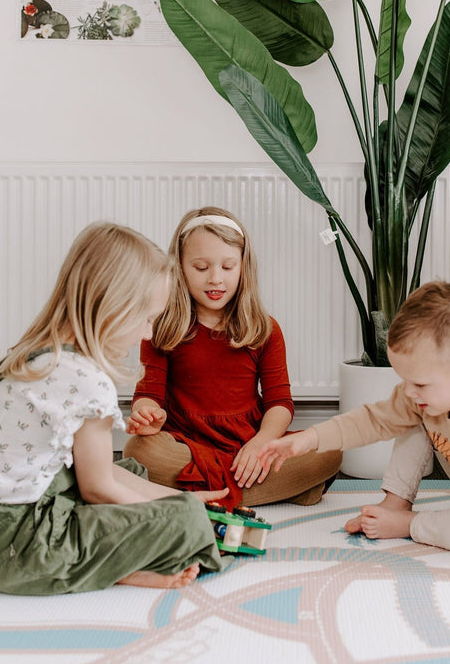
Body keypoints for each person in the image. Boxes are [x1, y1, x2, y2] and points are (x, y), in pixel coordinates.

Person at [0, 221, 231, 596]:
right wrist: (177, 512)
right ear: (114, 308)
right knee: (186, 523)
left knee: (131, 471)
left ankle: (112, 563)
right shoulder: (88, 382)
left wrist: (172, 497)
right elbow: (99, 490)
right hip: (22, 554)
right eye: (148, 319)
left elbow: (98, 476)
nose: (148, 335)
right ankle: (109, 565)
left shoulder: (32, 355)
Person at [257, 281, 450, 593]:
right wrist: (308, 439)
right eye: (405, 380)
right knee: (412, 415)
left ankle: (407, 523)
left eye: (420, 383)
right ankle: (395, 502)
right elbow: (373, 420)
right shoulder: (431, 393)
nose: (409, 391)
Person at [123, 206, 342, 509]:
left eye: (227, 267)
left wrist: (262, 441)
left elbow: (280, 403)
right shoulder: (162, 327)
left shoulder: (266, 329)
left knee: (331, 445)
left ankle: (204, 493)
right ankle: (282, 489)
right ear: (180, 268)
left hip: (248, 446)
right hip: (185, 445)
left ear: (243, 267)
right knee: (139, 449)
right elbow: (147, 395)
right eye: (201, 268)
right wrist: (147, 415)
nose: (215, 279)